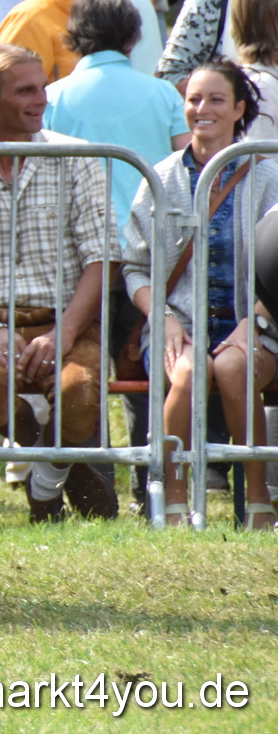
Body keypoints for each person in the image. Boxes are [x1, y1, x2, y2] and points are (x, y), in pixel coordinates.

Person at [0, 43, 119, 522]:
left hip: (66, 323)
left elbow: (104, 257)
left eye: (43, 88)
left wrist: (65, 333)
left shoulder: (76, 158)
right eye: (26, 90)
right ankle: (63, 478)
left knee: (79, 390)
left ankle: (45, 485)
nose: (41, 99)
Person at [123, 60, 278, 529]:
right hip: (178, 323)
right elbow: (134, 267)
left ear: (239, 108)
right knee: (188, 374)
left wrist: (257, 318)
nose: (201, 109)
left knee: (234, 366)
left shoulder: (269, 175)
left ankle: (256, 500)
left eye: (214, 99)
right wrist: (163, 319)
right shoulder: (159, 177)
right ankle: (171, 499)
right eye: (193, 99)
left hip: (258, 320)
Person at [43, 0, 187, 228]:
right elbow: (190, 158)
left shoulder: (51, 97)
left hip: (78, 238)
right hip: (151, 234)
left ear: (75, 35)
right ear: (132, 38)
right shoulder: (164, 93)